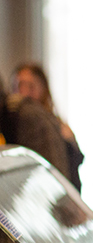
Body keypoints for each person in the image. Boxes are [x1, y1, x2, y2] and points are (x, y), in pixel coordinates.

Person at [11, 63, 84, 192]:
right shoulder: (13, 120)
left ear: (42, 87)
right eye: (19, 85)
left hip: (61, 193)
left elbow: (77, 160)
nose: (24, 91)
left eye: (30, 85)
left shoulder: (54, 121)